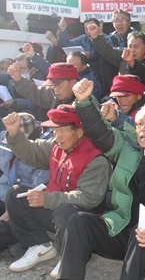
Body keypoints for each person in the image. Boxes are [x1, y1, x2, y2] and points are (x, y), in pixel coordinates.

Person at [57, 78, 145, 280]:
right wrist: (85, 102)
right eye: (139, 124)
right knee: (78, 220)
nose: (142, 129)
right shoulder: (126, 147)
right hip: (120, 227)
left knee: (143, 234)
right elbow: (100, 132)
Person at [2, 105, 110, 274]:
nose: (57, 136)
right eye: (54, 131)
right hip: (53, 208)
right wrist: (15, 133)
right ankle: (40, 245)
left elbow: (89, 198)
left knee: (66, 211)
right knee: (16, 194)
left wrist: (48, 199)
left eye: (62, 131)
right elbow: (32, 152)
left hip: (81, 218)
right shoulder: (56, 145)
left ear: (79, 132)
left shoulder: (95, 159)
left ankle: (70, 254)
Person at [0, 113, 49, 252]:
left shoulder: (43, 150)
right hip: (3, 192)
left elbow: (35, 188)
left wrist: (9, 211)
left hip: (21, 202)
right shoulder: (5, 138)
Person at [9, 62, 79, 116]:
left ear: (72, 82)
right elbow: (35, 92)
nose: (56, 89)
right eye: (53, 85)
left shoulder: (84, 102)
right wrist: (18, 79)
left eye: (59, 85)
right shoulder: (53, 93)